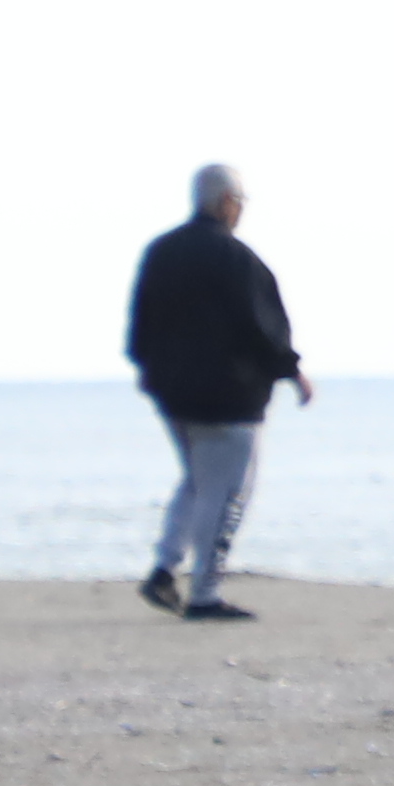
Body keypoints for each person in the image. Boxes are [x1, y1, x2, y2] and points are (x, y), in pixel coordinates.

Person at [121, 166, 310, 621]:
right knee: (227, 494)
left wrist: (153, 376)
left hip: (174, 395)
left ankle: (166, 568)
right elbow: (260, 327)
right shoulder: (236, 259)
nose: (241, 210)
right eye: (240, 201)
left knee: (198, 483)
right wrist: (292, 371)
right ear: (226, 201)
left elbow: (139, 329)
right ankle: (204, 591)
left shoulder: (161, 253)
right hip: (230, 398)